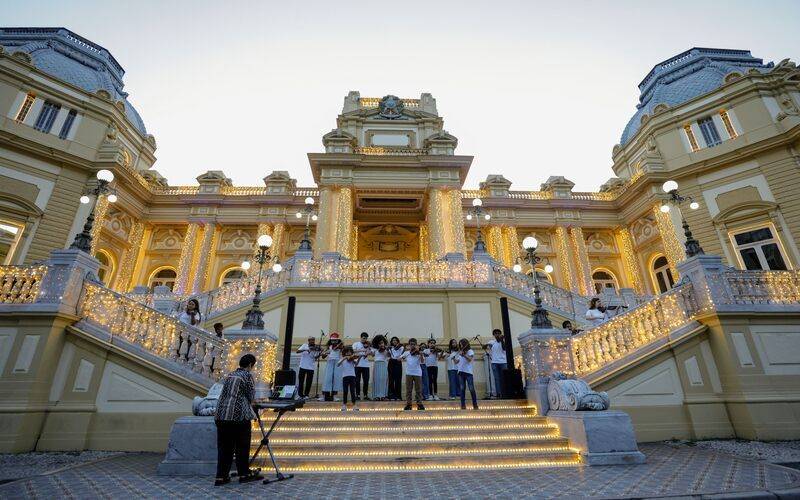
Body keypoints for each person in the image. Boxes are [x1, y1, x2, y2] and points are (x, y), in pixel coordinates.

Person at [214, 353, 263, 486]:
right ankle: (244, 474)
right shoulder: (247, 376)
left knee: (225, 448)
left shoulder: (230, 375)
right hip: (238, 417)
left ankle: (221, 477)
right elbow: (250, 397)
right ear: (250, 365)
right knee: (242, 446)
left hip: (221, 415)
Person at [400, 338, 425, 411]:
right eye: (411, 344)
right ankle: (408, 404)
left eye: (414, 344)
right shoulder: (406, 353)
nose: (413, 346)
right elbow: (399, 359)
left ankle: (419, 404)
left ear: (416, 345)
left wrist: (420, 355)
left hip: (417, 373)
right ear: (409, 345)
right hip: (409, 373)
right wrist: (402, 357)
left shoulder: (418, 352)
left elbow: (423, 362)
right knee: (408, 390)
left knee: (418, 390)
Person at [456, 338, 478, 410]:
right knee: (462, 389)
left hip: (468, 372)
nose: (460, 345)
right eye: (460, 344)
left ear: (465, 344)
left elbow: (469, 359)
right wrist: (453, 358)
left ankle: (475, 405)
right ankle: (463, 405)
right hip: (460, 372)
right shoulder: (460, 352)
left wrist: (464, 355)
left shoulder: (470, 351)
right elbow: (457, 362)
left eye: (461, 344)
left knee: (471, 388)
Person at [484, 329, 507, 399]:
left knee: (504, 378)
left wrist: (502, 340)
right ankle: (499, 393)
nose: (497, 335)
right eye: (495, 333)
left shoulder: (503, 341)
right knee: (497, 378)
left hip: (503, 362)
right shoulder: (492, 342)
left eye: (498, 333)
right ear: (494, 335)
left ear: (500, 334)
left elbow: (504, 348)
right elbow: (484, 347)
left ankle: (505, 392)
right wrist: (487, 345)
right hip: (494, 362)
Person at [320, 332, 343, 401]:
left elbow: (344, 353)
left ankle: (334, 396)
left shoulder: (340, 347)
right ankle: (324, 396)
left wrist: (340, 348)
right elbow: (323, 357)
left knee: (336, 379)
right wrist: (325, 353)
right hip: (329, 362)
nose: (334, 341)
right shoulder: (328, 347)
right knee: (327, 379)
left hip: (337, 363)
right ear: (330, 340)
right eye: (332, 340)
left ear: (338, 340)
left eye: (335, 340)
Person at [337, 346, 361, 412]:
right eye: (347, 352)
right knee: (345, 391)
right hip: (345, 376)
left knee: (352, 391)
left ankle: (354, 405)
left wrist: (359, 358)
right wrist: (344, 358)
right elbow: (338, 364)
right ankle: (344, 405)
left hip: (352, 376)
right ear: (345, 353)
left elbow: (356, 364)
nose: (349, 353)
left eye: (350, 352)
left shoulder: (352, 359)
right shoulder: (343, 359)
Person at [353, 332, 372, 400]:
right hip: (357, 364)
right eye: (364, 338)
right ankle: (357, 395)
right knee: (357, 380)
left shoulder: (368, 345)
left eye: (366, 338)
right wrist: (362, 350)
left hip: (366, 365)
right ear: (361, 337)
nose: (365, 339)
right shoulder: (356, 344)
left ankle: (365, 395)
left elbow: (372, 353)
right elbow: (353, 351)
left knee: (366, 380)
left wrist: (368, 351)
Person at [371, 335, 389, 401]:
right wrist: (370, 349)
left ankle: (383, 395)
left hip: (384, 364)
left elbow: (389, 355)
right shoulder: (375, 350)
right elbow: (371, 354)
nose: (381, 344)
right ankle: (376, 396)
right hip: (376, 364)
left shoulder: (386, 349)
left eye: (382, 343)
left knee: (384, 380)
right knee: (376, 380)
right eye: (379, 343)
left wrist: (387, 349)